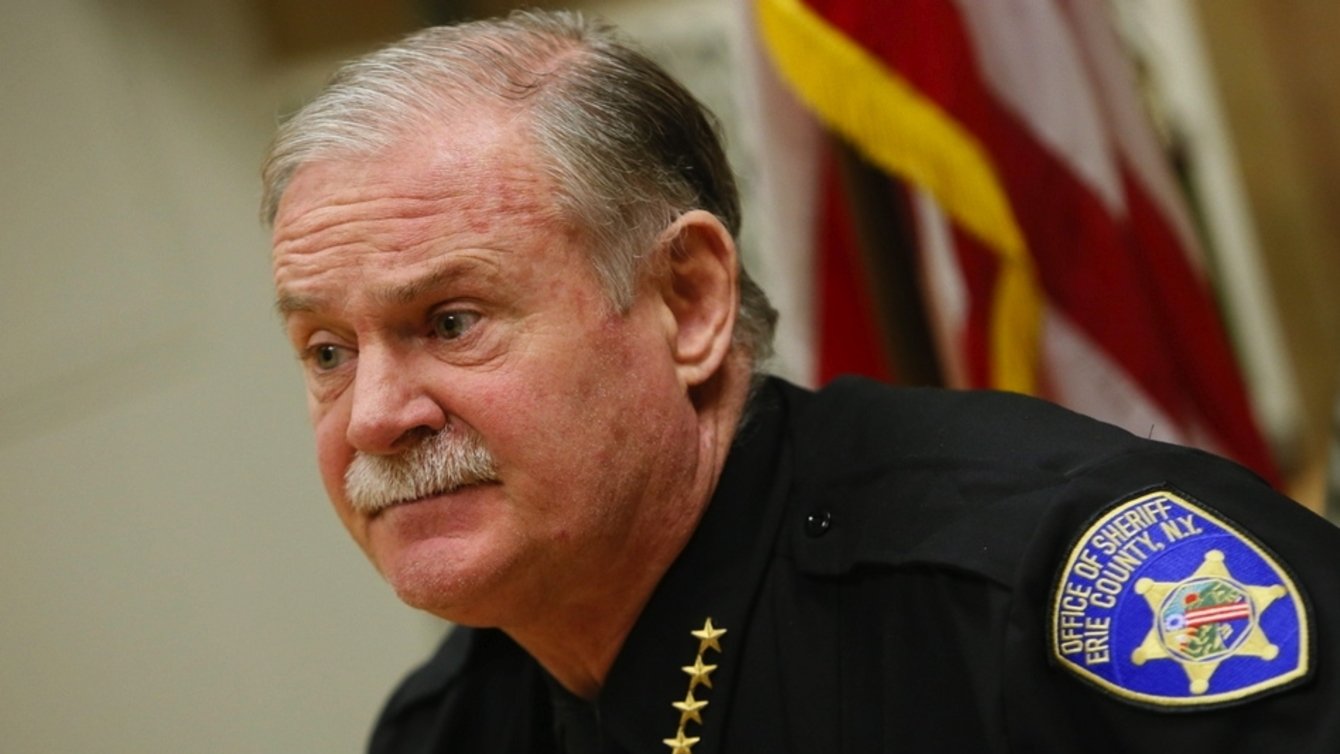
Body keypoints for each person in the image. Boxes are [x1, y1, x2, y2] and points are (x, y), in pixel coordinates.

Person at [261, 9, 1340, 753]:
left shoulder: (1052, 592)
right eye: (326, 351)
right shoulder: (445, 727)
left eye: (450, 322)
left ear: (687, 302)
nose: (373, 418)